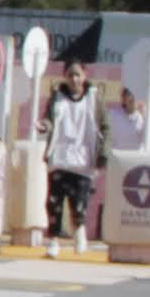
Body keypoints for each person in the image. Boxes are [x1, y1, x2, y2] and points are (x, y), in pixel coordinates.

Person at [42, 64, 100, 245]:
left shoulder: (93, 98)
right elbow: (49, 119)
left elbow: (104, 125)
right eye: (70, 75)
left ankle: (79, 233)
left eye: (77, 75)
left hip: (83, 161)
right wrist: (44, 126)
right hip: (60, 158)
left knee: (79, 204)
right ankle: (53, 240)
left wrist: (102, 153)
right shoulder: (57, 98)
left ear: (84, 75)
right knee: (54, 203)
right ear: (65, 76)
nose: (74, 79)